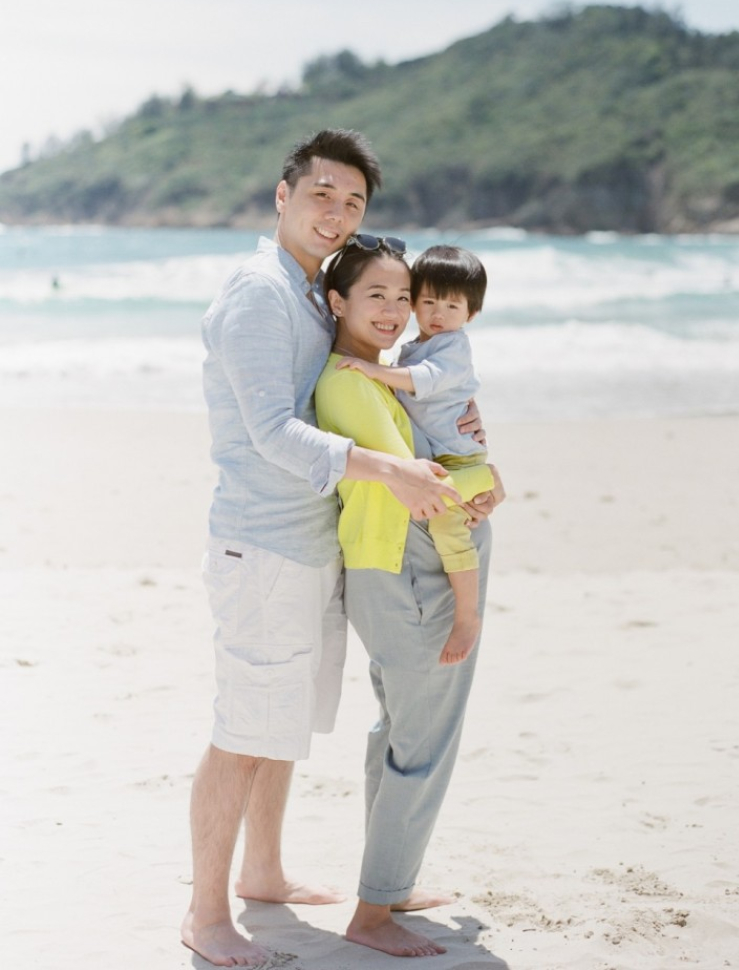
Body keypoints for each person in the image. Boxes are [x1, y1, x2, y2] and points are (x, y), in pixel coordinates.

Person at [181, 130, 492, 969]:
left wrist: (466, 457)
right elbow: (272, 432)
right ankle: (206, 913)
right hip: (264, 543)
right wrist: (391, 469)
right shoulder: (260, 294)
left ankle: (264, 871)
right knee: (243, 729)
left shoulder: (312, 291)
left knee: (281, 723)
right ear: (284, 196)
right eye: (322, 194)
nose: (337, 212)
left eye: (353, 201)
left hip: (315, 539)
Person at [315, 237, 504, 958]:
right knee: (422, 747)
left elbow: (432, 455)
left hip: (400, 567)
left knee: (398, 734)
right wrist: (486, 481)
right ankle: (374, 912)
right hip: (413, 573)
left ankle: (387, 886)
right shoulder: (353, 382)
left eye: (405, 296)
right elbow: (426, 485)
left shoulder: (384, 376)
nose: (397, 310)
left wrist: (476, 466)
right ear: (338, 302)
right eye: (379, 296)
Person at [337, 244, 491, 665]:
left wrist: (375, 371)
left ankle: (467, 616)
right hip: (444, 457)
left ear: (471, 314)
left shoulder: (452, 347)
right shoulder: (412, 348)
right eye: (427, 302)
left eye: (452, 306)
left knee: (448, 527)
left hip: (459, 460)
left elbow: (425, 380)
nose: (438, 314)